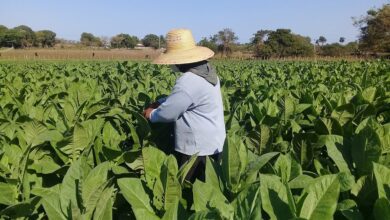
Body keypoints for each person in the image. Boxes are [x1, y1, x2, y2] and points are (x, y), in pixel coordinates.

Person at [143, 29, 226, 182]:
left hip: (196, 150)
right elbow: (188, 99)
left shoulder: (189, 80)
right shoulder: (207, 71)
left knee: (190, 190)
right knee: (209, 190)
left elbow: (168, 113)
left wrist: (151, 113)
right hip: (215, 143)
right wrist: (161, 102)